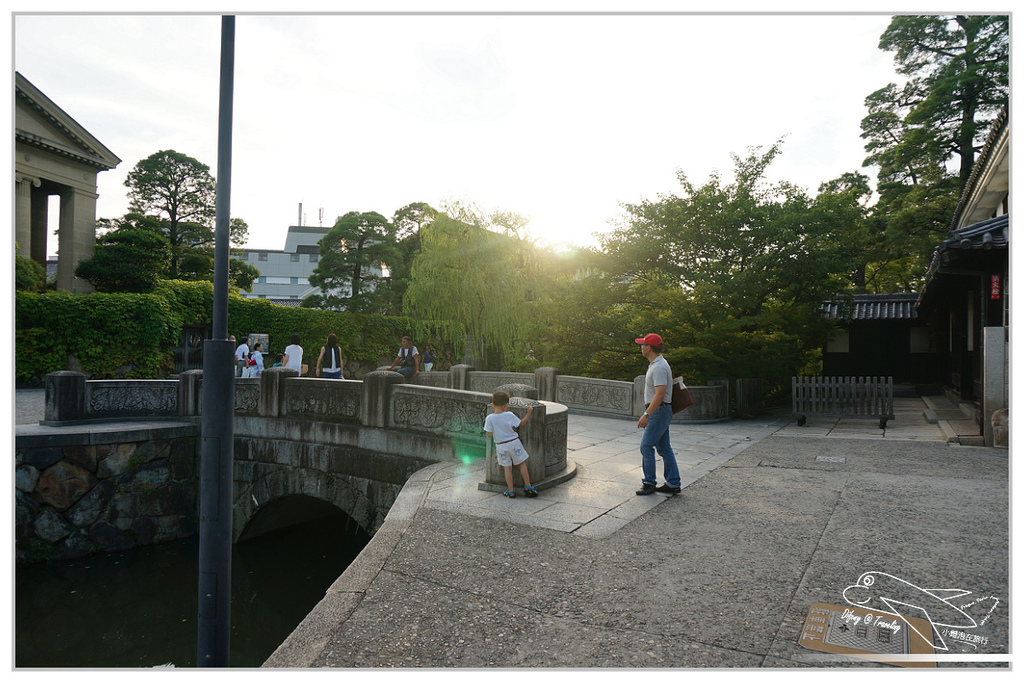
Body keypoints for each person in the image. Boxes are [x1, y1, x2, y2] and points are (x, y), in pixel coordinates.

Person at [635, 333, 682, 496]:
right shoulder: (657, 364)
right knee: (664, 448)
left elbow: (660, 394)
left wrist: (647, 414)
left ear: (649, 348)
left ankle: (649, 483)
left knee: (646, 446)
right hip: (661, 410)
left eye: (643, 345)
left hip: (658, 411)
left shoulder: (659, 367)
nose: (641, 347)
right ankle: (673, 483)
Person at [484, 391, 539, 499]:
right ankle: (528, 486)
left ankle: (511, 491)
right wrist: (528, 413)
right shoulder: (509, 415)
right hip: (514, 443)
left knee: (507, 468)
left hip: (501, 445)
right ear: (506, 405)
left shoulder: (489, 418)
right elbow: (521, 424)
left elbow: (489, 434)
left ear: (493, 404)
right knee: (521, 464)